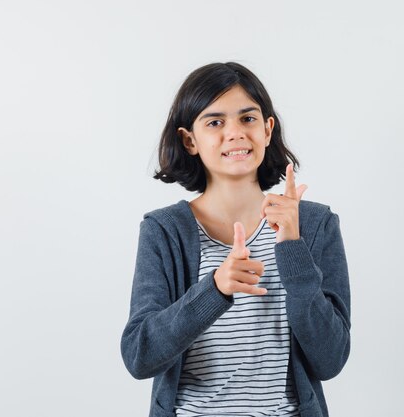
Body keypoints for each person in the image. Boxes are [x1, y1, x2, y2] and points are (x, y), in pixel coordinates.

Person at [120, 62, 351, 417]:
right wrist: (215, 289)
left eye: (248, 118)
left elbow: (330, 360)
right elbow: (140, 355)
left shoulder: (315, 224)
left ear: (268, 128)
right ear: (190, 140)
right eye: (215, 122)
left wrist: (292, 249)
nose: (235, 133)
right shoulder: (164, 230)